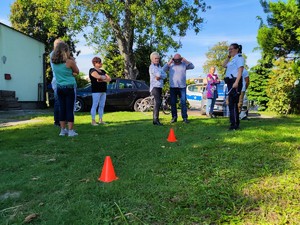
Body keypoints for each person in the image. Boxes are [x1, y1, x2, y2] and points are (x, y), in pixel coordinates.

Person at [51, 42, 79, 137]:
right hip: (69, 87)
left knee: (62, 108)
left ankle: (62, 130)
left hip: (60, 87)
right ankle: (71, 131)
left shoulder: (54, 62)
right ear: (65, 50)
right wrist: (72, 60)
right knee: (70, 109)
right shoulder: (69, 62)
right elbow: (77, 71)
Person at [163, 53, 194, 123]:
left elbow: (192, 66)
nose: (177, 61)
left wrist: (185, 60)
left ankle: (185, 118)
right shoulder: (171, 65)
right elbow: (163, 69)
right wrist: (170, 61)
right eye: (175, 59)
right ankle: (174, 117)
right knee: (173, 103)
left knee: (183, 103)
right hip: (173, 87)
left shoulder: (184, 64)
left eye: (178, 59)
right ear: (173, 59)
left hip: (182, 86)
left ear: (180, 59)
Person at [223, 43, 244, 130]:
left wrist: (236, 82)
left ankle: (235, 124)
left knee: (233, 103)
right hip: (230, 82)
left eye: (231, 49)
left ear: (237, 49)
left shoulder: (239, 58)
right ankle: (233, 123)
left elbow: (240, 70)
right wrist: (228, 57)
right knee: (231, 104)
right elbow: (223, 65)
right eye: (229, 49)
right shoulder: (233, 59)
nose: (229, 51)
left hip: (234, 82)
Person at [89, 57, 111, 126]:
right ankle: (93, 121)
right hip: (96, 91)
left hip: (103, 90)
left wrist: (102, 79)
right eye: (99, 62)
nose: (101, 63)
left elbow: (109, 79)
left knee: (102, 105)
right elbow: (97, 77)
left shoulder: (103, 71)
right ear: (95, 63)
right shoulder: (92, 70)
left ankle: (101, 120)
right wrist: (103, 78)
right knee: (95, 105)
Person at [149, 52, 167, 126]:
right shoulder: (152, 67)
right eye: (155, 58)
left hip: (160, 86)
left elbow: (165, 75)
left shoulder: (159, 67)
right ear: (152, 59)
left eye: (158, 58)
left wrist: (160, 76)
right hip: (154, 87)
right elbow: (158, 75)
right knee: (158, 102)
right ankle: (156, 120)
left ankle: (155, 120)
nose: (157, 60)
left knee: (157, 103)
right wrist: (159, 75)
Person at [50, 39, 64, 127]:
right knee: (58, 101)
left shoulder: (54, 54)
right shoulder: (54, 54)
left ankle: (61, 120)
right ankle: (57, 121)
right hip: (58, 80)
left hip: (58, 80)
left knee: (60, 101)